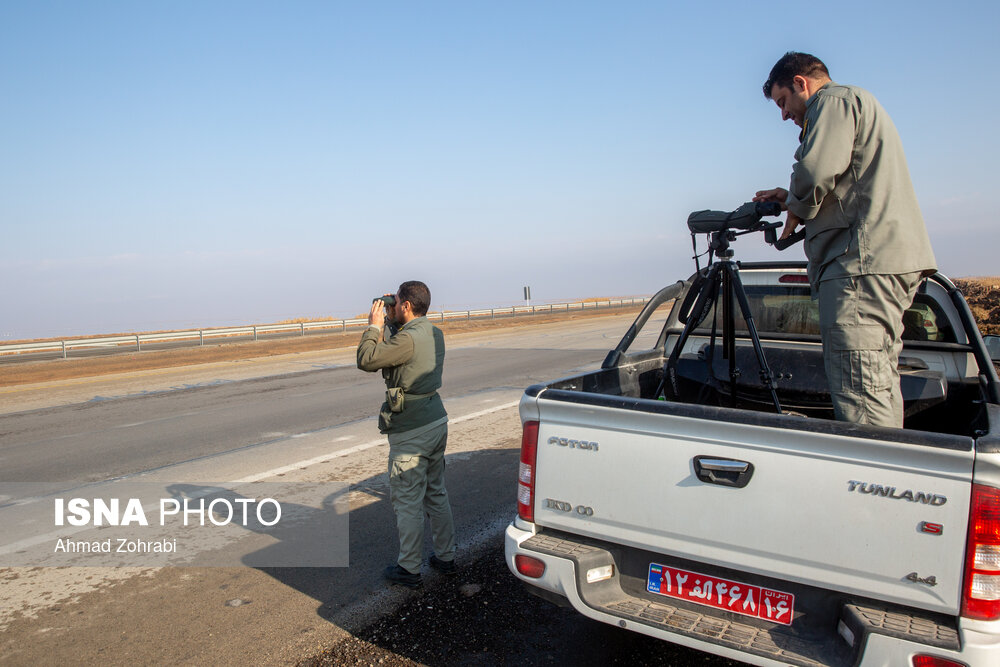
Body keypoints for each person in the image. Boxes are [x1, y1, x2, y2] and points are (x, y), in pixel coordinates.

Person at [752, 52, 936, 428]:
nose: (784, 115)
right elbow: (844, 182)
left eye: (783, 102)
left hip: (858, 266)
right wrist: (791, 198)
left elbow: (817, 169)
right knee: (875, 382)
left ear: (802, 83)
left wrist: (797, 208)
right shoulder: (855, 105)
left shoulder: (832, 101)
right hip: (874, 260)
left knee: (861, 393)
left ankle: (874, 481)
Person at [357, 280, 457, 588]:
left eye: (396, 302)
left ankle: (409, 569)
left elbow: (367, 360)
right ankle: (445, 556)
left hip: (412, 429)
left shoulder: (408, 340)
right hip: (435, 420)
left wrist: (374, 327)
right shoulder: (432, 332)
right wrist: (391, 319)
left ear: (407, 306)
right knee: (435, 492)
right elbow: (403, 351)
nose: (392, 305)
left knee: (408, 500)